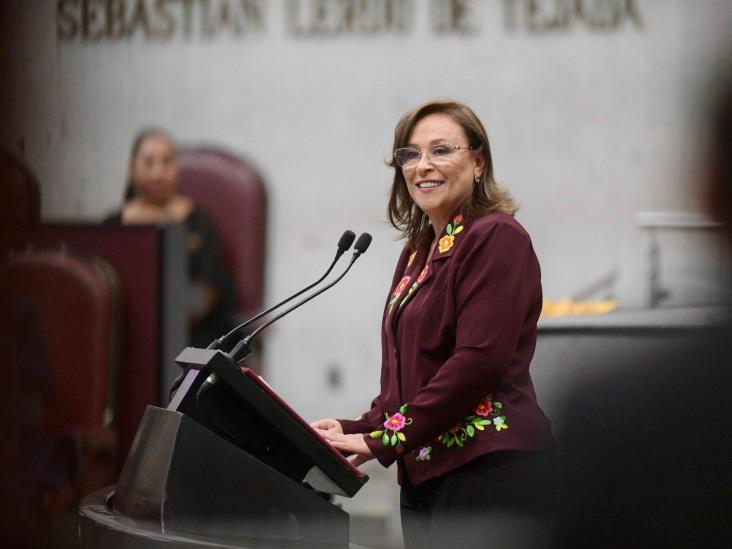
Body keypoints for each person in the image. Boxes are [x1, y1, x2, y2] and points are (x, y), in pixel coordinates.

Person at [312, 100, 555, 548]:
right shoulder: (419, 250)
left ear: (478, 162)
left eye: (441, 150)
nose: (423, 166)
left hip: (488, 473)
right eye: (411, 154)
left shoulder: (496, 236)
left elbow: (478, 362)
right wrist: (357, 431)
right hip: (425, 474)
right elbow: (409, 377)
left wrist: (384, 440)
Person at [106, 129, 237, 349]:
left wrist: (164, 324)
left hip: (191, 336)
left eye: (166, 162)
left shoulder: (200, 222)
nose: (157, 174)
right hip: (127, 336)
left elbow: (208, 291)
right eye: (148, 162)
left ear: (177, 169)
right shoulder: (113, 226)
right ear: (131, 168)